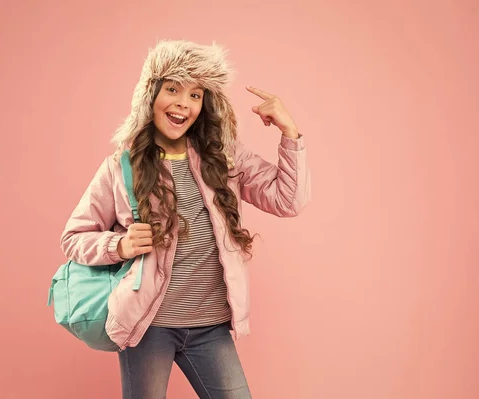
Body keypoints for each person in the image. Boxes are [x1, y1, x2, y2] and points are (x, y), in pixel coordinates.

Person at [60, 40, 311, 399]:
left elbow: (289, 200)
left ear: (204, 105)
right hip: (148, 325)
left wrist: (290, 134)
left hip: (211, 327)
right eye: (173, 89)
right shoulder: (121, 167)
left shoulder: (225, 156)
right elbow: (73, 237)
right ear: (151, 95)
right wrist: (120, 244)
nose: (183, 102)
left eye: (195, 95)